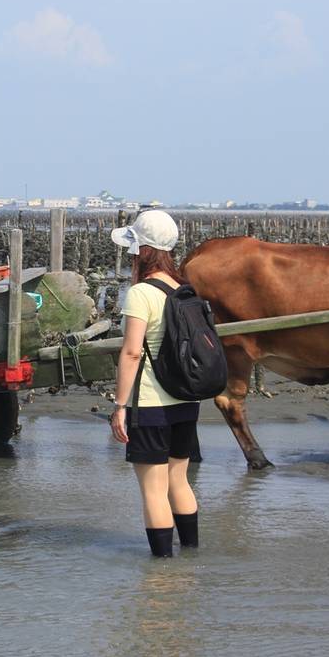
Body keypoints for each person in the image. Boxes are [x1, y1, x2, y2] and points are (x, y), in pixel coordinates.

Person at [109, 210, 200, 557]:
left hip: (150, 406)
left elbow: (132, 353)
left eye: (133, 248)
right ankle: (191, 555)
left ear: (142, 250)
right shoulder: (184, 289)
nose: (131, 255)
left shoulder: (141, 294)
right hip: (186, 401)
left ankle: (161, 575)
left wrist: (119, 406)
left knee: (153, 490)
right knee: (179, 481)